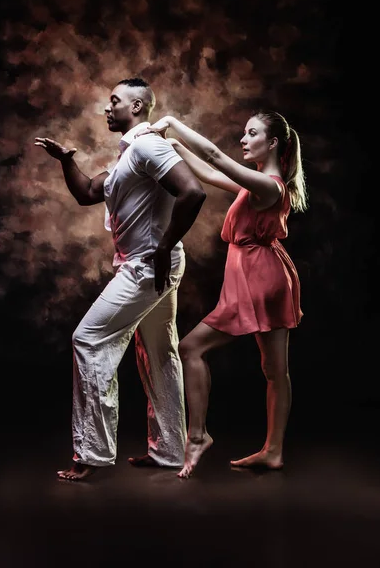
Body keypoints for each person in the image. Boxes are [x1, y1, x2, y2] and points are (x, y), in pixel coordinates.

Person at [34, 78, 206, 480]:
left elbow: (192, 192)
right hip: (149, 264)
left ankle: (90, 454)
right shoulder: (128, 155)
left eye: (115, 101)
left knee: (88, 339)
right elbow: (89, 192)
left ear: (139, 106)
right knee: (158, 353)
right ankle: (168, 450)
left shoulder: (148, 145)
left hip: (149, 265)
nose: (107, 108)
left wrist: (163, 248)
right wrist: (65, 161)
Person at [136, 109, 308, 478]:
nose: (243, 140)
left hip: (261, 279)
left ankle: (198, 436)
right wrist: (177, 147)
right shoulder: (259, 182)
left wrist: (171, 121)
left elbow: (216, 157)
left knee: (192, 348)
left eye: (251, 134)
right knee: (275, 371)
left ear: (273, 142)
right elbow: (212, 173)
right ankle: (272, 451)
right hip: (265, 276)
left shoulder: (269, 186)